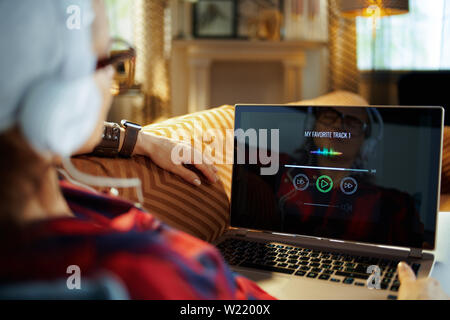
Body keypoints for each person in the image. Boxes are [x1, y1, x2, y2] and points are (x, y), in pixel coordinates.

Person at [0, 0, 447, 300]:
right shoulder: (143, 269)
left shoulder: (395, 204)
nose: (110, 81)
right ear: (58, 105)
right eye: (108, 61)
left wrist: (143, 139)